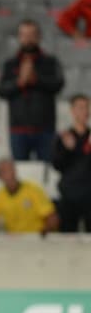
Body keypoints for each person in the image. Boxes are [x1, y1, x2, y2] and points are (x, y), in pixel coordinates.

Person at [0, 19, 64, 162]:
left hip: (45, 129)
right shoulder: (10, 64)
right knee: (21, 171)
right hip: (18, 130)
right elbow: (0, 90)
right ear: (19, 38)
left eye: (32, 34)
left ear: (39, 37)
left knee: (48, 171)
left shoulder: (50, 62)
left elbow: (58, 84)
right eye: (24, 35)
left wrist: (36, 80)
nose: (28, 39)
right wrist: (19, 82)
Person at [0, 158, 59, 234]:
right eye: (5, 171)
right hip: (14, 241)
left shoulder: (33, 190)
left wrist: (43, 234)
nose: (10, 173)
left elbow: (52, 218)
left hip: (36, 238)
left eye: (11, 169)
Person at [52, 94, 91, 232]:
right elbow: (57, 165)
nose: (85, 111)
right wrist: (68, 150)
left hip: (89, 194)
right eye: (81, 107)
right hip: (70, 193)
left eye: (87, 107)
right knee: (67, 237)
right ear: (72, 111)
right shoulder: (64, 136)